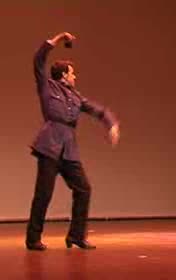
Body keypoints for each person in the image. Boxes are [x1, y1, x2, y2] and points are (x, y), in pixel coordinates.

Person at [26, 32, 120, 250]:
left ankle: (76, 236)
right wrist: (58, 39)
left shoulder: (76, 97)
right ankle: (33, 239)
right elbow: (38, 60)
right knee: (43, 194)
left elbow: (97, 110)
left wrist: (111, 123)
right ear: (63, 76)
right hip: (49, 146)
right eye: (72, 73)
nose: (75, 76)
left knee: (84, 189)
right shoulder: (47, 86)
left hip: (69, 151)